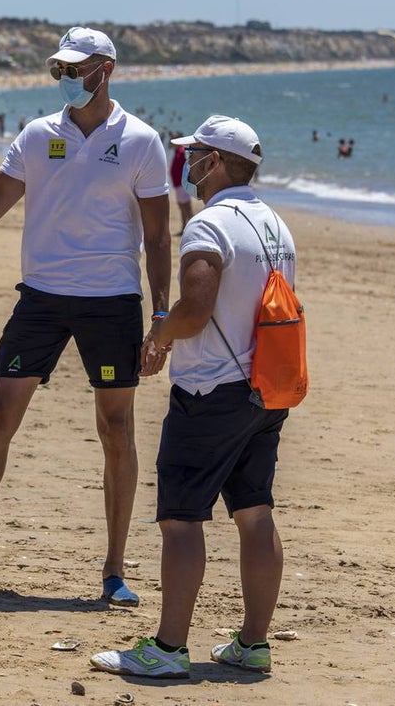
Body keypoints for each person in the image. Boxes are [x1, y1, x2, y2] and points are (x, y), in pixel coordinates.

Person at [0, 27, 172, 606]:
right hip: (42, 299)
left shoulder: (141, 141)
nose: (67, 80)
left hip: (111, 303)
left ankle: (113, 572)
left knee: (116, 431)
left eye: (75, 70)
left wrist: (160, 318)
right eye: (59, 70)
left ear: (106, 70)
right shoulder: (37, 135)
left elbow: (158, 237)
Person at [90, 115, 295, 679]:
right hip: (265, 389)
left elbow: (196, 307)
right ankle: (253, 645)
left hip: (210, 390)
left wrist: (158, 335)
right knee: (254, 514)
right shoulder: (275, 224)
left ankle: (169, 648)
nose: (186, 164)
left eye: (194, 155)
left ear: (219, 162)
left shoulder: (212, 224)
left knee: (181, 520)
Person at [169, 137, 193, 234]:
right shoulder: (177, 151)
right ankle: (184, 227)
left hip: (182, 184)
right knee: (182, 207)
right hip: (177, 184)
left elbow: (189, 164)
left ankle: (191, 228)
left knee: (186, 207)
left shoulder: (182, 151)